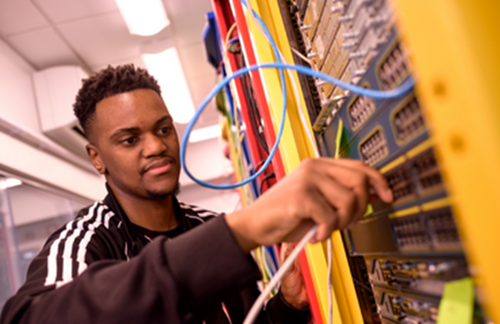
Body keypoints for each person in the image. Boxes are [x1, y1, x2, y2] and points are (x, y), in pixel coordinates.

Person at [0, 65, 393, 324]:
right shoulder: (84, 243)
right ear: (97, 158)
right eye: (130, 139)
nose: (155, 146)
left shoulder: (208, 226)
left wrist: (287, 308)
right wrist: (245, 226)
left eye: (163, 128)